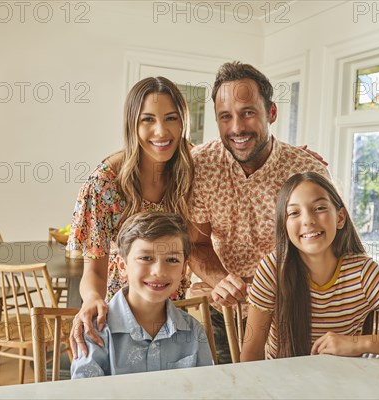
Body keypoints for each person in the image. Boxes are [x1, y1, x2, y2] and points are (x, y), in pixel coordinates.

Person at [186, 62, 329, 362]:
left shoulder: (306, 170)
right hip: (222, 310)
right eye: (225, 117)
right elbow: (196, 244)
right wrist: (222, 281)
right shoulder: (200, 167)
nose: (237, 127)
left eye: (248, 112)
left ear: (272, 113)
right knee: (224, 389)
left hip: (289, 311)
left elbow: (326, 249)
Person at [241, 172, 379, 360]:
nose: (308, 220)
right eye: (294, 213)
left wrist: (359, 343)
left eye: (319, 208)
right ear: (284, 225)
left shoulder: (364, 273)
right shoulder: (273, 269)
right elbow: (251, 353)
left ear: (340, 217)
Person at [68, 76, 194, 354]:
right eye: (147, 119)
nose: (161, 131)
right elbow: (94, 271)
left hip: (174, 312)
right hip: (122, 315)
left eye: (171, 118)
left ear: (183, 122)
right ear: (131, 125)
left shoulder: (195, 168)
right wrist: (91, 299)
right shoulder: (105, 183)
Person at [71, 212, 213, 378]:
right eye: (146, 258)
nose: (159, 271)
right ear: (123, 266)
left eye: (172, 260)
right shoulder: (95, 330)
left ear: (183, 270)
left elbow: (205, 389)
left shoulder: (193, 331)